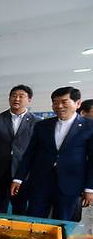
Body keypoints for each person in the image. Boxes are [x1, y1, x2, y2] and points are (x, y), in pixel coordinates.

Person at [11, 87, 93, 221]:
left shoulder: (89, 127)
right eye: (55, 102)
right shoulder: (42, 126)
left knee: (64, 222)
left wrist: (90, 188)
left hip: (70, 184)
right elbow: (29, 154)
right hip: (40, 182)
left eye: (64, 102)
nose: (59, 106)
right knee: (34, 220)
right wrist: (18, 178)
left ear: (77, 103)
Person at [0, 85, 38, 214]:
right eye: (14, 96)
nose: (16, 99)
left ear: (29, 100)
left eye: (21, 96)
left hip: (23, 171)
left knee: (20, 206)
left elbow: (37, 149)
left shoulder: (36, 122)